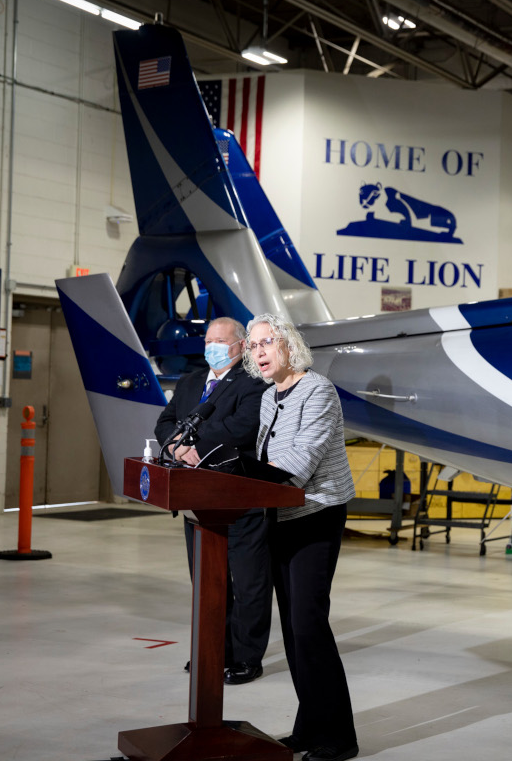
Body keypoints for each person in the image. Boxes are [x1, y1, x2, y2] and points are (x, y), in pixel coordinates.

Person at [245, 313, 358, 761]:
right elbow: (263, 455)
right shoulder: (269, 397)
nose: (258, 352)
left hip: (317, 515)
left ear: (289, 345)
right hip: (281, 516)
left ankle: (339, 738)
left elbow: (302, 457)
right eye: (252, 346)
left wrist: (252, 473)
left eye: (266, 342)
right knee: (293, 630)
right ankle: (310, 728)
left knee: (309, 625)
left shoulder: (318, 390)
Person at [154, 316, 271, 685]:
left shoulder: (253, 384)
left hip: (239, 497)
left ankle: (247, 658)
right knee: (207, 580)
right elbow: (165, 421)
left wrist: (195, 446)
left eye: (220, 340)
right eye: (208, 340)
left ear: (240, 346)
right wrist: (173, 445)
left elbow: (243, 426)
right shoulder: (190, 382)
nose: (212, 346)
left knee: (248, 583)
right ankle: (213, 650)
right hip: (196, 500)